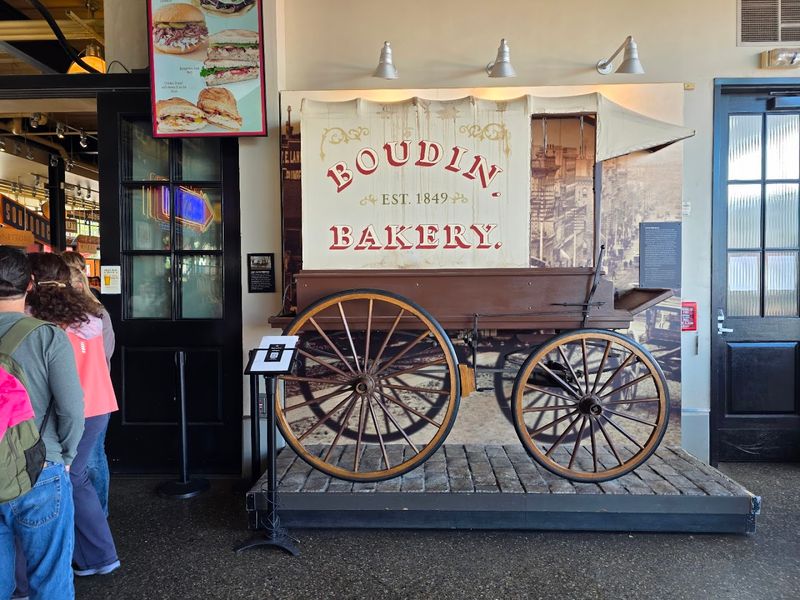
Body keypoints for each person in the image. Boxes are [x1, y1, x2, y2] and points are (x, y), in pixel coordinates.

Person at [27, 252, 120, 577]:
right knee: (75, 476)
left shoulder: (44, 324)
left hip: (71, 409)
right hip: (98, 405)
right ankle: (94, 555)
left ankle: (92, 555)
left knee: (68, 478)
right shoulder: (89, 316)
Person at [0, 246, 85, 600]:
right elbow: (71, 410)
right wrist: (65, 456)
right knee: (50, 580)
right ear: (30, 284)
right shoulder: (48, 336)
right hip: (41, 466)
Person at [63, 252, 115, 516]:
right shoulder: (98, 315)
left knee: (87, 461)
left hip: (87, 400)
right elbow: (106, 354)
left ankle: (95, 514)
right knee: (91, 459)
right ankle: (96, 515)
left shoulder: (87, 317)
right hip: (97, 397)